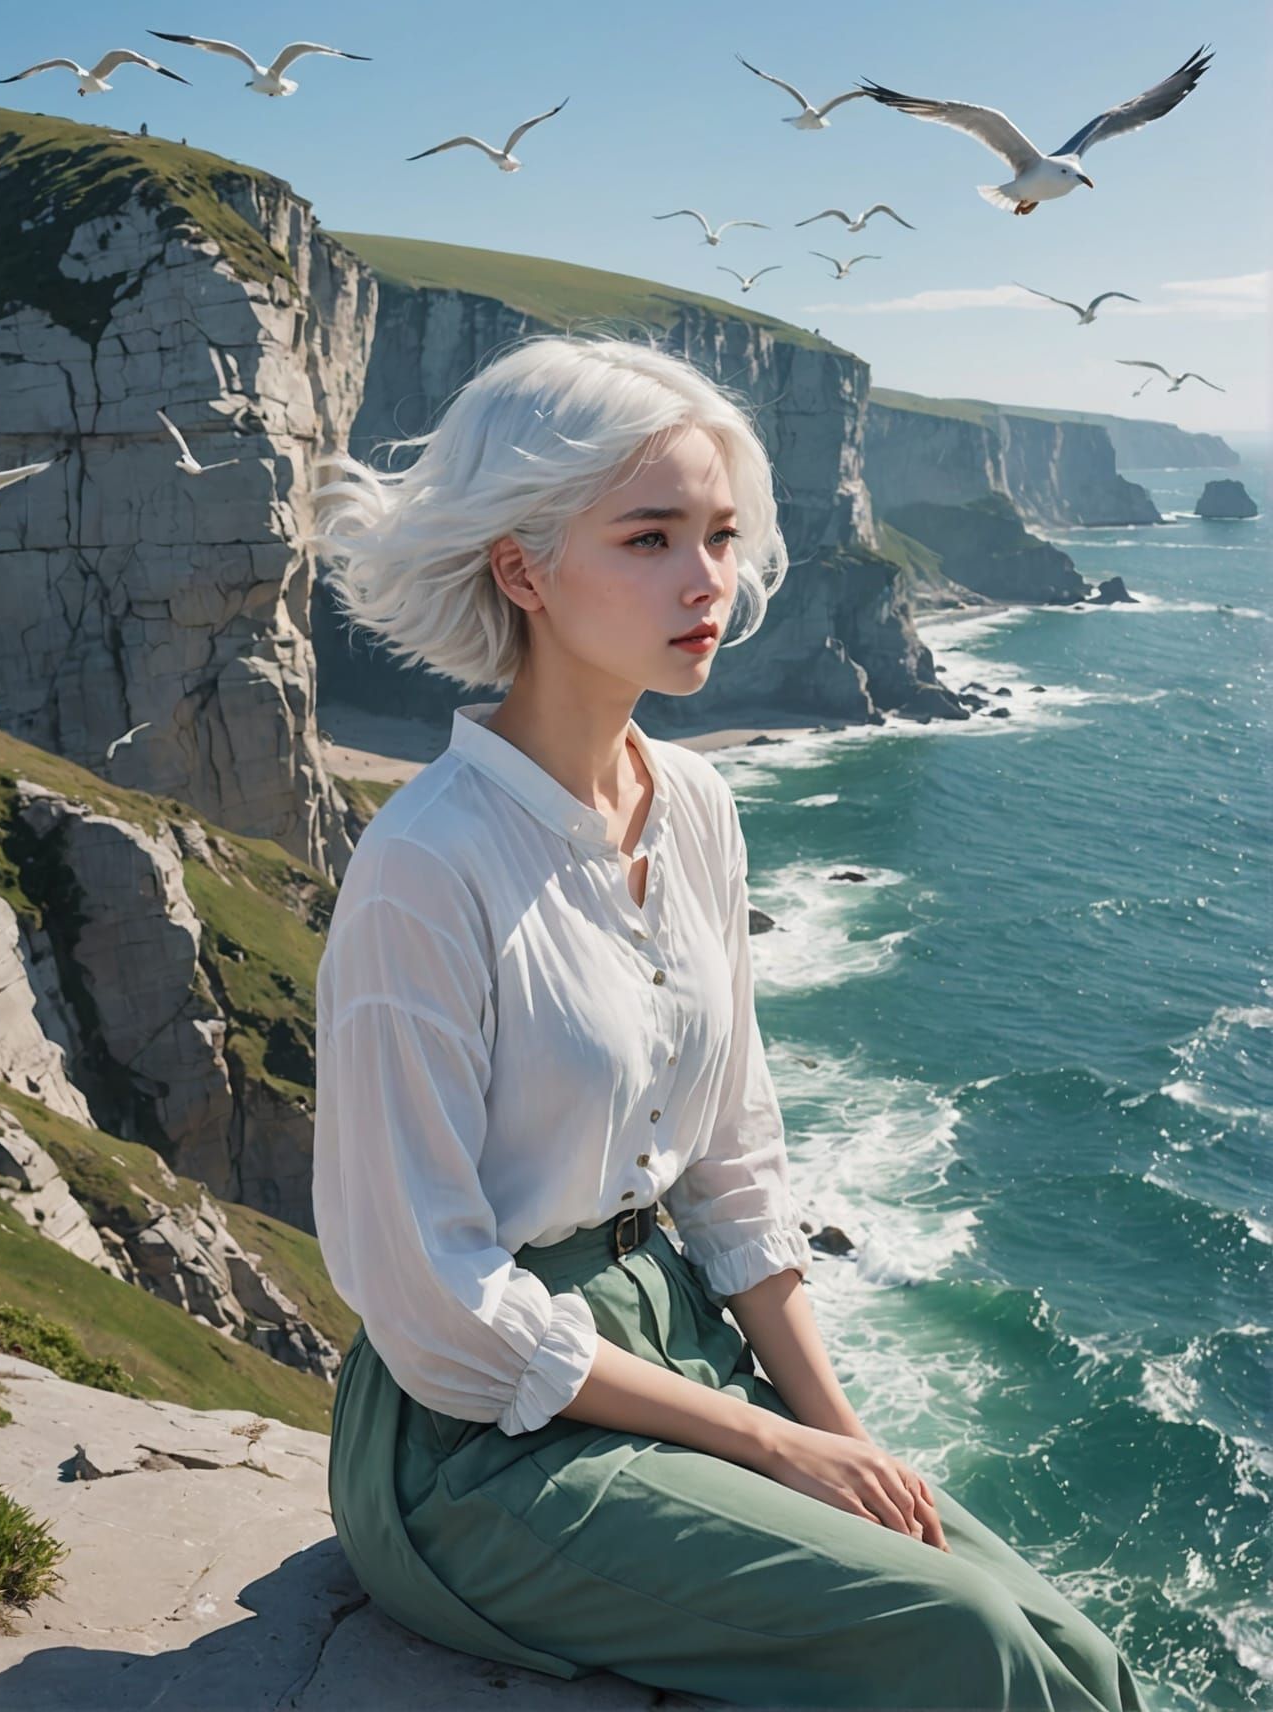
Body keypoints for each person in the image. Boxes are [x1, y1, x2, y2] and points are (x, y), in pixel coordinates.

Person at [309, 332, 1150, 1710]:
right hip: (472, 1449)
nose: (708, 581)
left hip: (676, 1347)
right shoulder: (425, 865)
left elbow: (734, 1173)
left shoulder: (695, 805)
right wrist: (770, 1449)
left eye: (719, 535)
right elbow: (431, 1305)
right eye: (648, 538)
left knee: (1068, 1646)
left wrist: (843, 1439)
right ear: (522, 570)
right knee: (967, 1644)